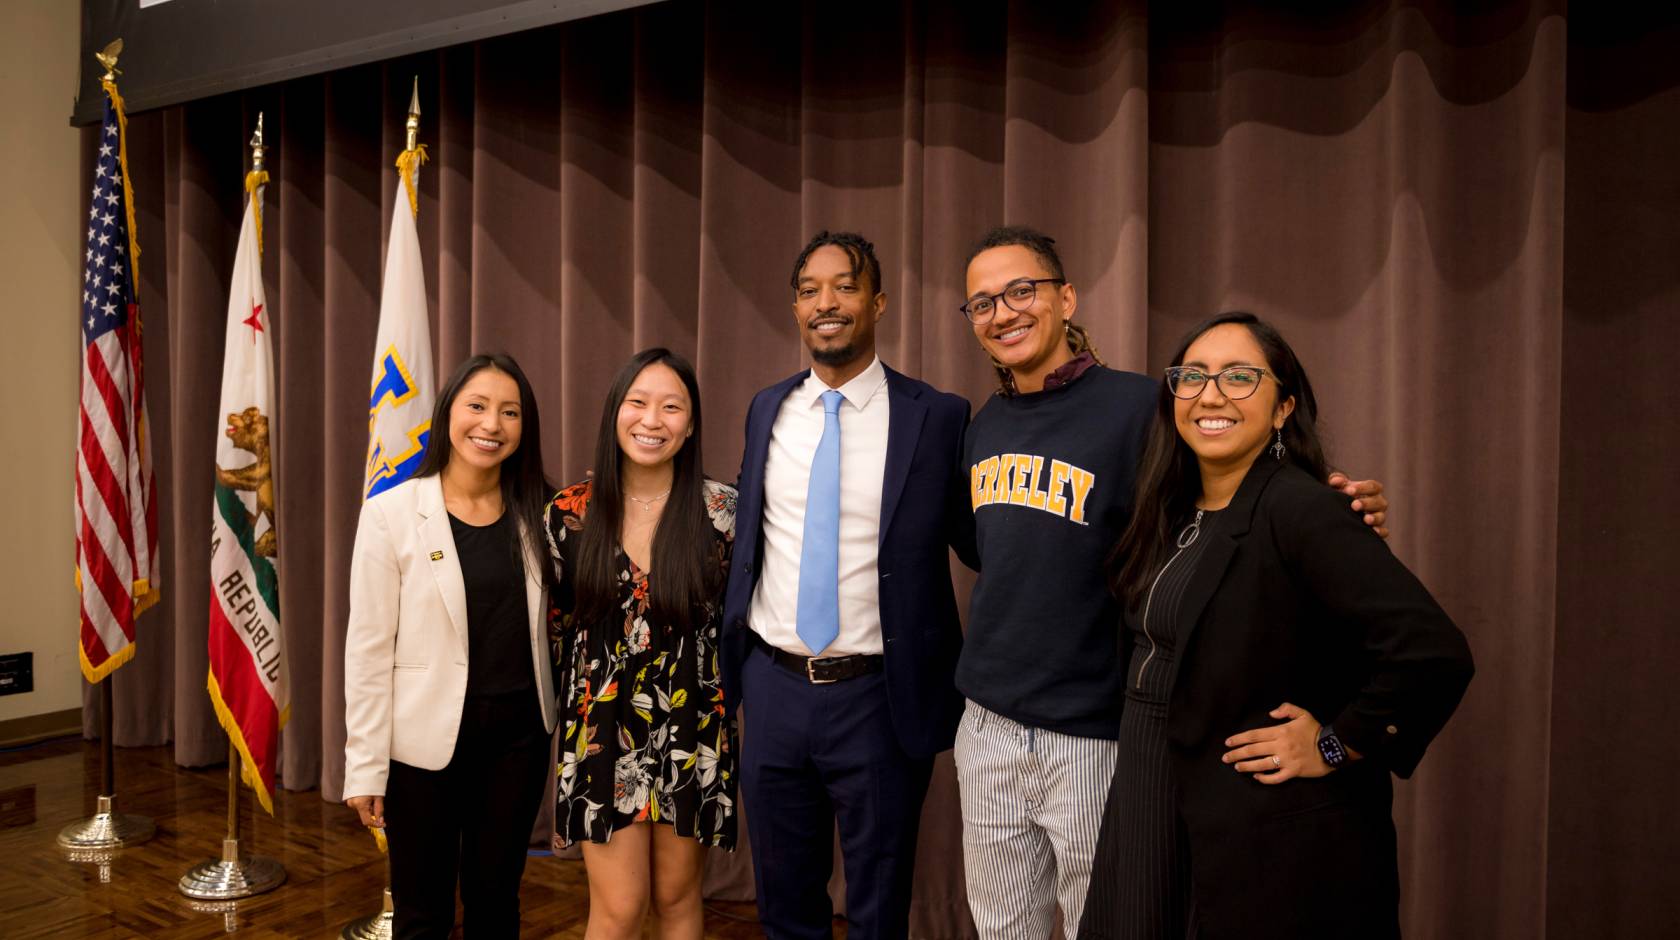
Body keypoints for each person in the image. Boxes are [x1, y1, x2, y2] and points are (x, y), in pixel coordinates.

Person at [952, 227, 1391, 939]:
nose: (1002, 312)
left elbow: (1231, 496)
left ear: (1065, 297)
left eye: (1020, 291)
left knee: (1112, 922)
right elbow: (982, 548)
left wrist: (1335, 500)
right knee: (1003, 926)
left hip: (1095, 730)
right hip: (989, 725)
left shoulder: (1141, 407)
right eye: (980, 303)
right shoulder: (985, 423)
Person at [1078, 312, 1474, 938]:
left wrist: (1337, 742)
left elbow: (1433, 653)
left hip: (1263, 829)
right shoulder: (1170, 509)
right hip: (1152, 799)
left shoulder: (1304, 509)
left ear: (1284, 407)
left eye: (1240, 377)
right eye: (1193, 376)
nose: (1211, 395)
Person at [720, 231, 975, 939]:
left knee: (876, 907)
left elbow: (980, 538)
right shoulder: (768, 408)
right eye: (809, 290)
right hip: (773, 689)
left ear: (878, 302)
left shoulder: (938, 416)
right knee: (784, 903)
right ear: (796, 308)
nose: (825, 302)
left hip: (881, 698)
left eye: (845, 286)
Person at [342, 352, 559, 939]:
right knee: (421, 913)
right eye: (478, 406)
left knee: (496, 904)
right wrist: (364, 767)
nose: (491, 425)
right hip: (423, 748)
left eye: (509, 412)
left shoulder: (544, 513)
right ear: (448, 415)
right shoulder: (391, 513)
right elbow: (366, 648)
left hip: (518, 742)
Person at [546, 347, 738, 940]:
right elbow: (556, 629)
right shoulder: (569, 513)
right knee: (621, 907)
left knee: (680, 900)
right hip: (602, 731)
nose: (652, 420)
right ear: (614, 412)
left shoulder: (722, 512)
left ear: (691, 423)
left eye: (671, 407)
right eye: (638, 402)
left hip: (693, 730)